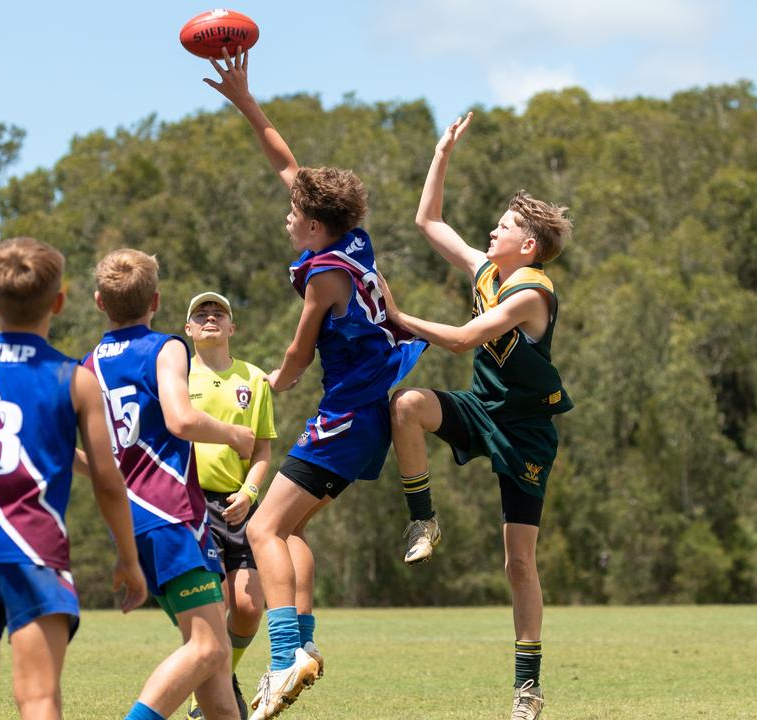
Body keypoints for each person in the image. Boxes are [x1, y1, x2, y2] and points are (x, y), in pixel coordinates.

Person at [202, 48, 425, 720]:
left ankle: (282, 658)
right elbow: (285, 162)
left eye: (296, 213)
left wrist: (273, 379)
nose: (287, 213)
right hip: (367, 415)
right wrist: (246, 100)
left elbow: (298, 358)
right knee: (291, 535)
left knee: (265, 529)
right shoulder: (353, 244)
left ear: (316, 225)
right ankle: (303, 645)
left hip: (347, 417)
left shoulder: (324, 275)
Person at [380, 110, 573, 720]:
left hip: (527, 433)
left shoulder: (531, 293)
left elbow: (464, 340)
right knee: (407, 405)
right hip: (480, 407)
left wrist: (399, 317)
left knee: (518, 561)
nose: (492, 231)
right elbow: (428, 220)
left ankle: (528, 688)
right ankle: (423, 520)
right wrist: (442, 152)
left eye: (505, 226)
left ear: (530, 246)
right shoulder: (489, 271)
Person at [0, 237, 147, 720]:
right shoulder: (74, 379)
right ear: (59, 302)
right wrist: (128, 559)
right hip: (33, 550)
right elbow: (109, 480)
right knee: (39, 697)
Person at [85, 249, 256, 720]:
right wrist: (233, 434)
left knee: (214, 660)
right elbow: (180, 420)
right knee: (206, 650)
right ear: (156, 300)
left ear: (101, 302)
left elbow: (82, 457)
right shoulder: (166, 348)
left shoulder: (89, 365)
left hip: (133, 521)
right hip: (172, 516)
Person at [184, 291, 278, 719]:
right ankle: (208, 691)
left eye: (218, 313)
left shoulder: (254, 379)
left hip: (239, 505)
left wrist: (250, 493)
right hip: (191, 504)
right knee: (213, 607)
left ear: (231, 328)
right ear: (188, 330)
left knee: (246, 608)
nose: (209, 318)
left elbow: (262, 451)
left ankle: (225, 675)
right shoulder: (176, 378)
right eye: (200, 314)